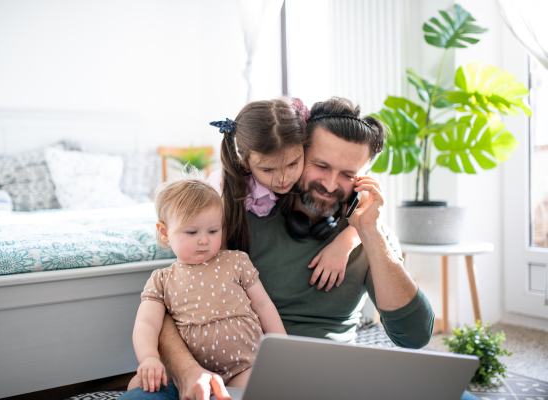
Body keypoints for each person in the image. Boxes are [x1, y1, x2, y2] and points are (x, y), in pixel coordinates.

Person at [120, 97, 479, 400]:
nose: (329, 184)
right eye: (320, 165)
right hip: (226, 376)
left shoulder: (370, 233)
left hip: (327, 380)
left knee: (457, 395)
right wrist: (186, 372)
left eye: (348, 175)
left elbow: (414, 336)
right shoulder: (235, 215)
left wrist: (366, 231)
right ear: (296, 152)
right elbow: (168, 303)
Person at [125, 175, 286, 394]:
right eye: (192, 232)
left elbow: (263, 305)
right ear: (165, 233)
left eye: (213, 231)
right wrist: (149, 359)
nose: (204, 240)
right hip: (190, 374)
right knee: (137, 385)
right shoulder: (162, 279)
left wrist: (282, 347)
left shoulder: (237, 261)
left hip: (244, 367)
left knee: (271, 385)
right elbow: (146, 324)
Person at [208, 97, 363, 292]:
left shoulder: (307, 176)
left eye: (292, 164)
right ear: (245, 162)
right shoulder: (225, 191)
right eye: (267, 170)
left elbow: (370, 200)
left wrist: (346, 241)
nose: (282, 179)